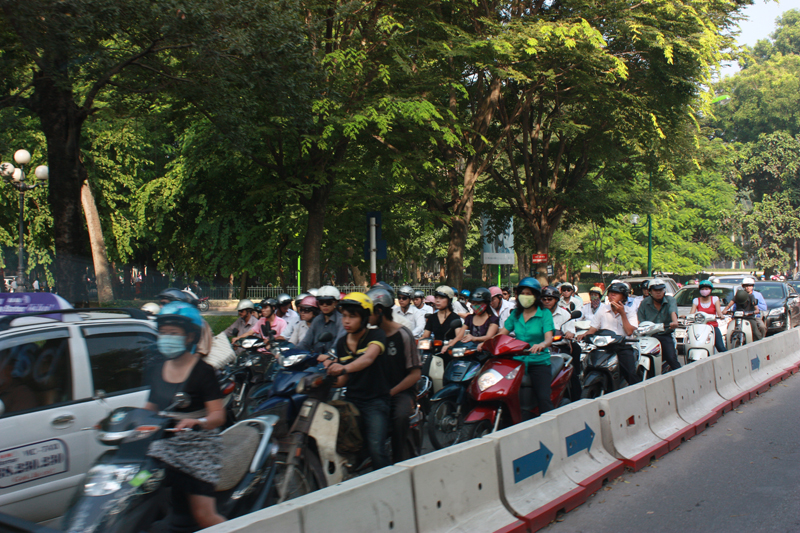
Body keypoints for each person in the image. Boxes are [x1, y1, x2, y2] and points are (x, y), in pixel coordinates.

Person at [144, 302, 226, 528]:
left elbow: (218, 416)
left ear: (189, 337)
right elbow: (149, 409)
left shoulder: (203, 372)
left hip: (198, 446)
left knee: (203, 515)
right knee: (133, 490)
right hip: (163, 444)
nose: (166, 337)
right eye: (163, 332)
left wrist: (197, 422)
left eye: (173, 333)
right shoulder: (157, 368)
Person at [320, 292, 391, 470]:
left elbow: (367, 359)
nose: (346, 321)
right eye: (344, 316)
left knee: (376, 450)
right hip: (351, 401)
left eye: (353, 316)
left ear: (365, 317)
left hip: (375, 401)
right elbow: (344, 379)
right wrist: (326, 378)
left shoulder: (377, 335)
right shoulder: (342, 342)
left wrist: (343, 367)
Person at [367, 287, 421, 464]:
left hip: (401, 392)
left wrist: (391, 392)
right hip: (375, 391)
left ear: (380, 311)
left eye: (369, 312)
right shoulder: (369, 335)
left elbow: (414, 374)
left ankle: (398, 461)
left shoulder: (403, 335)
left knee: (399, 417)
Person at [491, 277, 554, 418]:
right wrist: (487, 343)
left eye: (529, 294)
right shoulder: (515, 314)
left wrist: (542, 344)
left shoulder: (545, 314)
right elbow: (502, 334)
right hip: (517, 362)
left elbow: (549, 337)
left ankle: (549, 428)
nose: (525, 297)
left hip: (539, 362)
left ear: (536, 296)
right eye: (522, 293)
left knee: (543, 398)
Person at [577, 282, 639, 385]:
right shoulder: (602, 310)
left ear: (623, 297)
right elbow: (593, 328)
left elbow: (629, 332)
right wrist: (584, 335)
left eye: (616, 293)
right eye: (610, 293)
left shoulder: (630, 311)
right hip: (604, 346)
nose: (612, 295)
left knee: (630, 374)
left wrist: (623, 313)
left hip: (623, 346)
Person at [540, 286, 582, 400]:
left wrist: (569, 333)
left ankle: (576, 399)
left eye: (550, 299)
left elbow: (570, 330)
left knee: (571, 373)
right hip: (540, 348)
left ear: (556, 300)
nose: (547, 302)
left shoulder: (565, 314)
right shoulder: (537, 314)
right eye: (544, 299)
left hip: (559, 347)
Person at [637, 278, 681, 372]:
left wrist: (674, 322)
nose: (658, 292)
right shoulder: (644, 303)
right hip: (649, 336)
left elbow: (672, 311)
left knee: (671, 358)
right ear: (650, 292)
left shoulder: (670, 300)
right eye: (655, 290)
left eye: (660, 290)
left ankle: (681, 377)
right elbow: (640, 320)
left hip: (664, 334)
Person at [157, 288, 214, 357]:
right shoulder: (161, 321)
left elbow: (201, 351)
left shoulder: (197, 323)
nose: (161, 306)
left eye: (164, 303)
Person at [298, 285, 345, 353]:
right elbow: (305, 342)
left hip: (334, 360)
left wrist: (329, 355)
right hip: (315, 359)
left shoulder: (341, 321)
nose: (324, 305)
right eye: (321, 302)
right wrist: (292, 352)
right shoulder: (317, 320)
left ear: (336, 302)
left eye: (328, 302)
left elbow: (338, 345)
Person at [419, 286, 465, 353]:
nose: (437, 300)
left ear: (449, 300)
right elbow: (425, 336)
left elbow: (458, 337)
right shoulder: (432, 317)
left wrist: (451, 343)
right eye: (436, 298)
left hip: (450, 351)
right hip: (434, 351)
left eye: (441, 298)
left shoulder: (455, 317)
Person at [689, 280, 727, 353]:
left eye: (706, 289)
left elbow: (718, 312)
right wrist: (686, 317)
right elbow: (692, 314)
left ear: (710, 290)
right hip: (700, 328)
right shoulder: (696, 300)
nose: (704, 291)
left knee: (721, 347)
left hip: (712, 327)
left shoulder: (715, 299)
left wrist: (721, 315)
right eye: (702, 289)